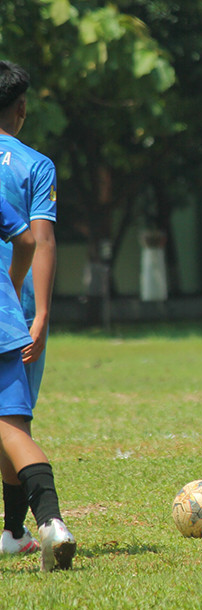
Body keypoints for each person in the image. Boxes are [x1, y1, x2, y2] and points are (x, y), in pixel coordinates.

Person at [0, 61, 58, 556]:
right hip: (11, 312)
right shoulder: (35, 164)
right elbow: (40, 241)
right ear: (20, 108)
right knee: (13, 421)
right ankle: (33, 526)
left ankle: (14, 533)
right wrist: (38, 314)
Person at [0, 194, 75, 571]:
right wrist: (13, 282)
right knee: (14, 433)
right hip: (5, 323)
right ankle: (51, 524)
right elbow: (27, 239)